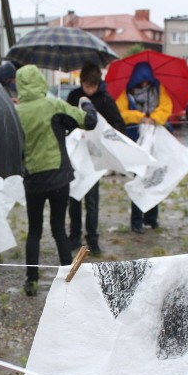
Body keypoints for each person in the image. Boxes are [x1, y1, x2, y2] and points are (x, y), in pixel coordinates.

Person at [14, 64, 97, 296]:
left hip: (32, 179)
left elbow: (14, 148)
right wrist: (86, 103)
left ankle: (31, 280)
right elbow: (89, 121)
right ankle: (69, 277)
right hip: (59, 176)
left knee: (34, 230)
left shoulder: (17, 113)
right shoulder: (53, 104)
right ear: (41, 81)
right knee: (59, 229)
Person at [66, 62, 127, 255]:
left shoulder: (105, 99)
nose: (89, 90)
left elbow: (118, 125)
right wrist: (74, 131)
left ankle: (92, 239)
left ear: (98, 84)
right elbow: (65, 119)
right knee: (74, 196)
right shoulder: (73, 96)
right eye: (86, 86)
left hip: (94, 157)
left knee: (92, 200)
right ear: (81, 82)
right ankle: (74, 236)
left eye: (92, 87)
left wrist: (101, 133)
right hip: (76, 154)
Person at [115, 61, 173, 233]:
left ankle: (151, 217)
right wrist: (139, 117)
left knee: (154, 177)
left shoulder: (158, 90)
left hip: (155, 141)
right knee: (139, 179)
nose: (145, 84)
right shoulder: (127, 93)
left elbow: (165, 107)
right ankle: (137, 220)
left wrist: (154, 118)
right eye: (142, 81)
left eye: (148, 81)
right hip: (135, 142)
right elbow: (121, 113)